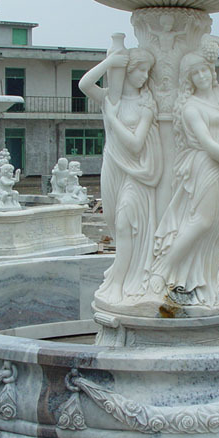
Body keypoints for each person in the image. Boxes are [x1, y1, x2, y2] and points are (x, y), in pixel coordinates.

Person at [150, 35, 219, 309]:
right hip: (207, 165)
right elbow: (209, 144)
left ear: (211, 71)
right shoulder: (190, 107)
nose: (201, 76)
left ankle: (205, 279)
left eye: (204, 70)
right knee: (202, 221)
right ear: (189, 78)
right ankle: (162, 270)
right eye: (194, 73)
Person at [79, 46, 162, 306]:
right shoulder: (110, 98)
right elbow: (84, 84)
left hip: (138, 173)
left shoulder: (146, 103)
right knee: (114, 223)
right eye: (139, 70)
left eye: (147, 71)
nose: (143, 76)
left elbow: (137, 144)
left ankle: (118, 283)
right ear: (126, 71)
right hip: (113, 168)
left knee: (126, 223)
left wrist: (113, 121)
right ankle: (124, 274)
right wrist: (109, 62)